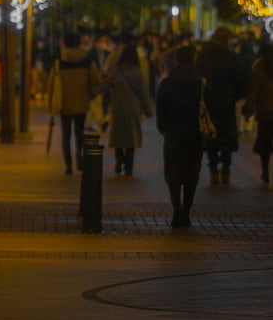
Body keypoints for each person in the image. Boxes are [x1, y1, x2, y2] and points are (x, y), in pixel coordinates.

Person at [156, 46, 210, 228]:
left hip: (173, 132)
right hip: (194, 134)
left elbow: (160, 110)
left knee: (173, 173)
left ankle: (177, 210)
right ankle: (186, 212)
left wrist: (164, 129)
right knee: (191, 173)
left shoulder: (167, 83)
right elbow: (207, 109)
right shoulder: (200, 83)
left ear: (176, 61)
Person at [196, 26, 245, 185]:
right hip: (226, 101)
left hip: (209, 101)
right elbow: (239, 80)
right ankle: (226, 169)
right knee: (226, 137)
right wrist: (235, 95)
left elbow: (198, 76)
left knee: (211, 134)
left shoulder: (204, 55)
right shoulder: (231, 56)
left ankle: (213, 170)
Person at [48, 32, 101, 175]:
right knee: (80, 133)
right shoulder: (86, 59)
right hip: (81, 102)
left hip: (64, 103)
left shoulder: (59, 60)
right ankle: (80, 161)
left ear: (64, 42)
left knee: (66, 134)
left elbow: (51, 84)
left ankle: (68, 165)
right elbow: (96, 80)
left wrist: (50, 106)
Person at [104, 39, 152, 176]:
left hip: (118, 107)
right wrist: (148, 111)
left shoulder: (115, 71)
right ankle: (129, 167)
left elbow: (104, 85)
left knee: (118, 136)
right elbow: (144, 94)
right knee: (131, 138)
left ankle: (119, 162)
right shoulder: (138, 73)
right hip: (133, 108)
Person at [242, 42, 273, 184]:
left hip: (266, 113)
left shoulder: (259, 70)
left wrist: (248, 110)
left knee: (265, 144)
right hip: (266, 112)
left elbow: (253, 92)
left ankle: (265, 171)